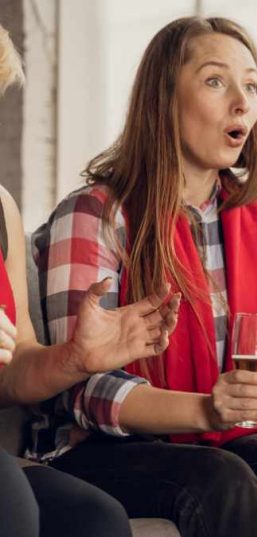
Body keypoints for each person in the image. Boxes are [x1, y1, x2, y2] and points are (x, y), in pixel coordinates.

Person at [31, 17, 257, 537]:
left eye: (251, 85)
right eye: (215, 81)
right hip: (101, 450)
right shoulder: (95, 214)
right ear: (164, 99)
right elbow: (85, 389)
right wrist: (205, 409)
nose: (242, 102)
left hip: (213, 437)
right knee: (221, 479)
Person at [0, 23, 180, 537]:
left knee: (96, 519)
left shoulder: (0, 209)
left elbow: (12, 376)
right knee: (12, 506)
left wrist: (74, 358)